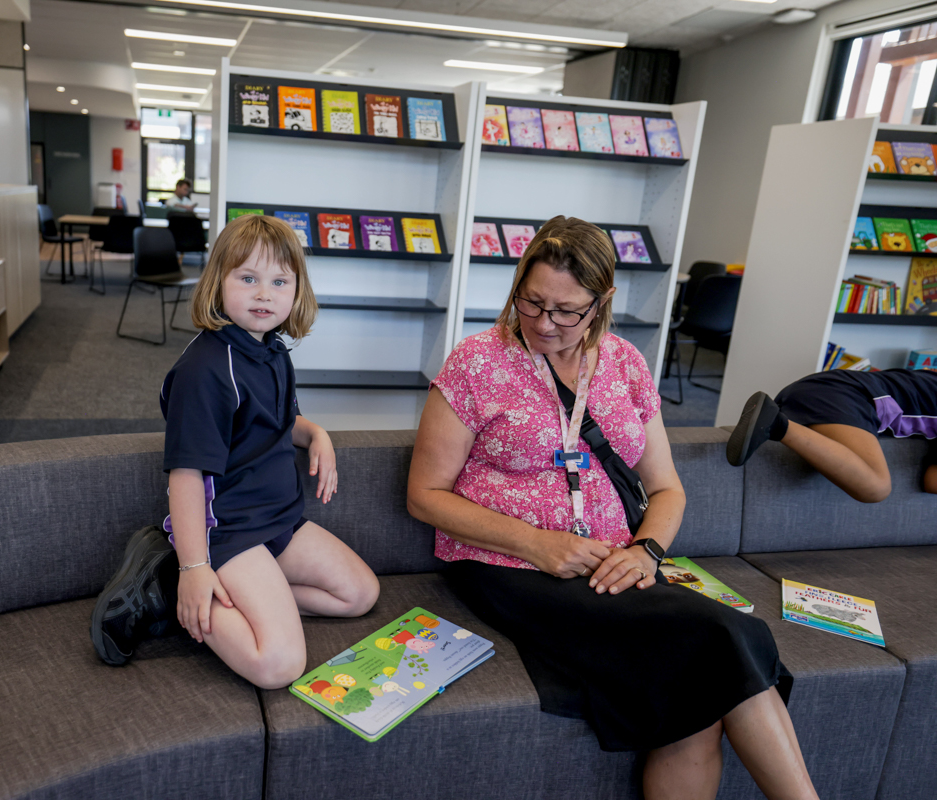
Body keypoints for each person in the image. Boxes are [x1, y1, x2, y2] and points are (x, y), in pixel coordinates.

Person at [407, 216, 818, 800]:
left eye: (567, 310)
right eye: (532, 301)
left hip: (612, 564)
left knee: (697, 697)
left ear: (603, 301)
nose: (545, 323)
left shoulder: (625, 363)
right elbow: (424, 495)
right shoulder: (477, 363)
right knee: (727, 636)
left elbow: (668, 489)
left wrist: (648, 550)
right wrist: (538, 543)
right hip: (507, 565)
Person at [90, 214, 379, 689]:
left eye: (279, 281)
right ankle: (173, 585)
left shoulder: (273, 351)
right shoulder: (205, 369)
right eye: (248, 278)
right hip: (228, 531)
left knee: (359, 594)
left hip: (278, 522)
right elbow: (185, 476)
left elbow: (276, 424)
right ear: (218, 282)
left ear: (295, 291)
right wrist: (195, 567)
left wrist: (316, 433)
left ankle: (232, 594)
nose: (264, 293)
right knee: (278, 666)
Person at [727, 372, 937, 501]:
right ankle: (775, 424)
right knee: (876, 488)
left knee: (875, 487)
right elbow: (932, 482)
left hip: (825, 391)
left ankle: (775, 420)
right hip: (844, 396)